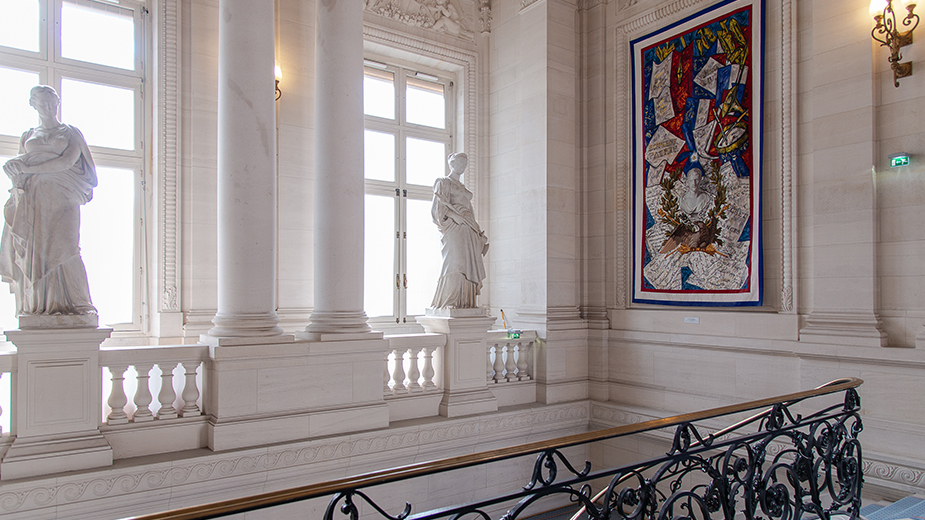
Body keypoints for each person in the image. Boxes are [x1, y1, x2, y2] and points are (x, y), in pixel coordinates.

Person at [0, 85, 97, 316]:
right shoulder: (28, 136)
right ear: (33, 105)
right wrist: (14, 167)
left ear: (58, 103)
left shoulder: (70, 132)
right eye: (42, 103)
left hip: (64, 197)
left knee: (67, 248)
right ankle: (38, 305)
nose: (48, 107)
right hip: (35, 200)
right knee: (38, 253)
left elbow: (66, 162)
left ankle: (78, 303)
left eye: (51, 102)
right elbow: (20, 170)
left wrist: (29, 167)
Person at [431, 152, 488, 309]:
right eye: (459, 163)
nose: (462, 167)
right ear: (452, 164)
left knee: (468, 263)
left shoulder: (463, 188)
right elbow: (437, 207)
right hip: (454, 227)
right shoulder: (443, 182)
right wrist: (452, 216)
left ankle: (465, 302)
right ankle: (449, 300)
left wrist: (477, 230)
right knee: (454, 262)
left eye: (464, 164)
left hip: (468, 227)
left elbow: (470, 210)